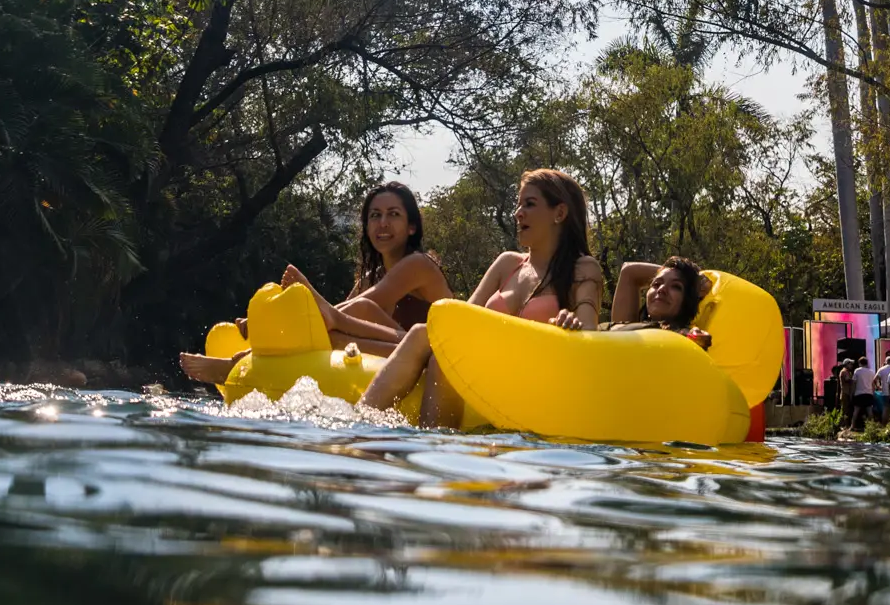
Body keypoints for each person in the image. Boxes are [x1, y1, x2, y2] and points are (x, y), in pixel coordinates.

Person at [360, 169, 604, 424]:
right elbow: (459, 320)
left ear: (560, 213)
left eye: (529, 204)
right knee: (427, 339)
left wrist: (571, 322)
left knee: (433, 346)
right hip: (489, 369)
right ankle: (368, 423)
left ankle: (361, 424)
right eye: (519, 204)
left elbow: (589, 330)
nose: (518, 213)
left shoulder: (583, 268)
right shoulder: (507, 264)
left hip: (535, 375)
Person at [177, 178, 448, 384]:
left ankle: (238, 362)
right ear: (367, 227)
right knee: (337, 329)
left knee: (358, 311)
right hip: (397, 351)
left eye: (394, 214)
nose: (383, 223)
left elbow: (346, 312)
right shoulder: (372, 277)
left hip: (437, 360)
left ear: (412, 227)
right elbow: (337, 316)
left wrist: (272, 323)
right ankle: (247, 360)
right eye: (375, 216)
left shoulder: (417, 264)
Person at [594, 257, 713, 339]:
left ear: (687, 301)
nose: (661, 289)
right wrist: (693, 279)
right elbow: (629, 271)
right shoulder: (627, 326)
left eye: (676, 286)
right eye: (656, 284)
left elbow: (688, 335)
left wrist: (693, 282)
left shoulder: (681, 335)